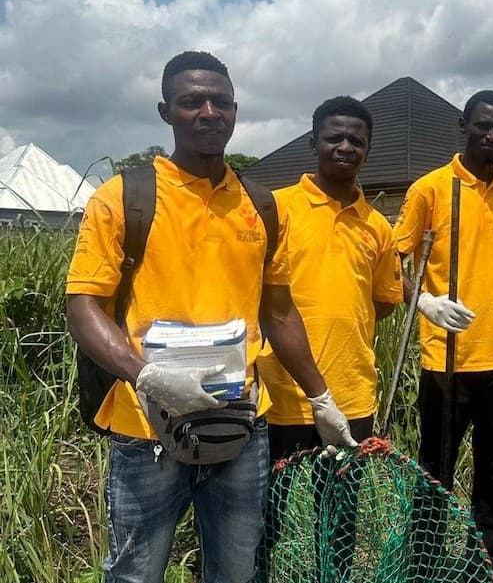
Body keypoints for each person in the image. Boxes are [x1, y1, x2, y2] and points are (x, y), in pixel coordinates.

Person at [66, 51, 353, 583]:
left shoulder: (260, 204)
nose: (208, 112)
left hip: (241, 421)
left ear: (236, 111)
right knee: (136, 571)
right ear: (165, 111)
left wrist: (320, 397)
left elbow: (280, 312)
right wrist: (145, 375)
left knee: (238, 569)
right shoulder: (124, 197)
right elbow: (83, 306)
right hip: (145, 426)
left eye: (220, 102)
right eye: (191, 101)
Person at [393, 89, 493, 558]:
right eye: (483, 126)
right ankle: (427, 559)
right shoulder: (429, 189)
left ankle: (481, 559)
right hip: (446, 356)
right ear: (464, 126)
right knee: (436, 466)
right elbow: (394, 263)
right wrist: (424, 300)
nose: (492, 135)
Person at [257, 95, 402, 459]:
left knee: (341, 509)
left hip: (352, 395)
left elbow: (384, 301)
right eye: (334, 138)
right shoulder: (277, 209)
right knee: (279, 510)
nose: (346, 147)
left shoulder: (378, 226)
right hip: (283, 396)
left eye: (357, 141)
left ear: (368, 150)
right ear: (313, 144)